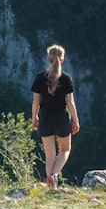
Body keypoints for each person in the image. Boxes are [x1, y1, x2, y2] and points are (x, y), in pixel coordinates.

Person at [30, 44, 80, 188]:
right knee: (65, 150)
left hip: (45, 117)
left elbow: (36, 102)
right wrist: (76, 121)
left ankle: (51, 187)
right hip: (61, 118)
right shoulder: (66, 79)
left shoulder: (40, 78)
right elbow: (70, 102)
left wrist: (34, 118)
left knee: (50, 155)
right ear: (62, 60)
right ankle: (54, 175)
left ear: (48, 58)